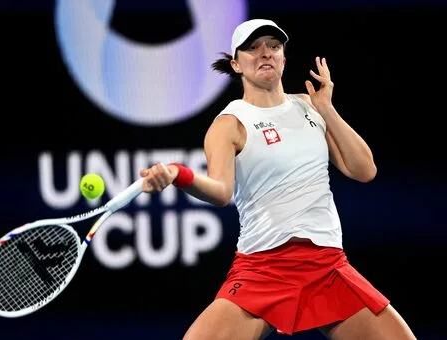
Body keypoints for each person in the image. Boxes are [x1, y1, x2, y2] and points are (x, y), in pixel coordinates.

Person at [140, 18, 416, 339]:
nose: (265, 53)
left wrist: (326, 109)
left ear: (284, 58)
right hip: (262, 268)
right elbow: (221, 191)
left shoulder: (311, 106)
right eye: (253, 48)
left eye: (273, 46)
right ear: (236, 64)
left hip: (327, 266)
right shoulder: (229, 124)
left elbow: (364, 169)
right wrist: (179, 173)